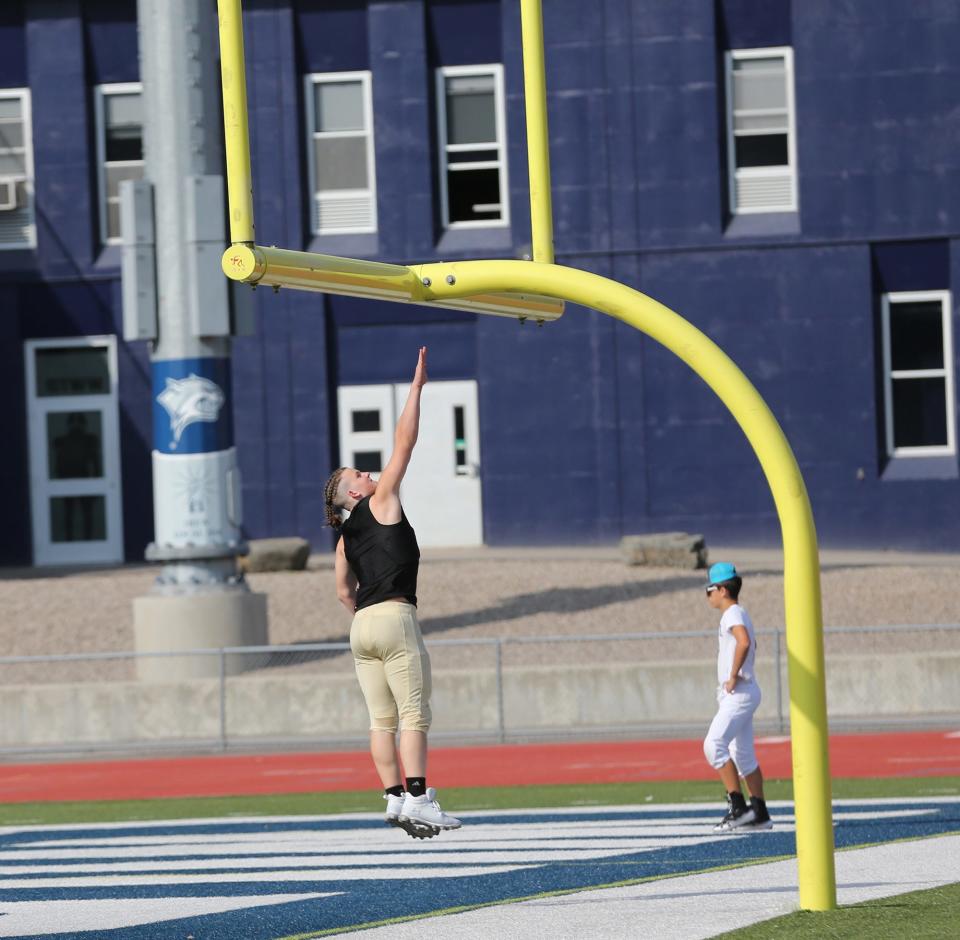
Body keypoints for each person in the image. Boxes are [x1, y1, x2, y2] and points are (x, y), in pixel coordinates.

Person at [322, 346, 461, 840]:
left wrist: (363, 612)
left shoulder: (343, 538)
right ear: (355, 494)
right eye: (357, 475)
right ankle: (420, 797)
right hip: (394, 617)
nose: (367, 473)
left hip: (362, 625)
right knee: (413, 714)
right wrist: (417, 388)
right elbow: (405, 442)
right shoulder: (381, 500)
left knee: (380, 721)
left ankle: (394, 798)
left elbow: (342, 590)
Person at [702, 561, 773, 832]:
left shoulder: (732, 613)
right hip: (744, 690)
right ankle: (760, 813)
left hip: (739, 691)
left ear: (721, 589)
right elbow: (751, 643)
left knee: (713, 744)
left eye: (709, 589)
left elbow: (743, 641)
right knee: (742, 755)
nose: (708, 596)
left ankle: (738, 808)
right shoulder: (739, 613)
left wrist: (733, 674)